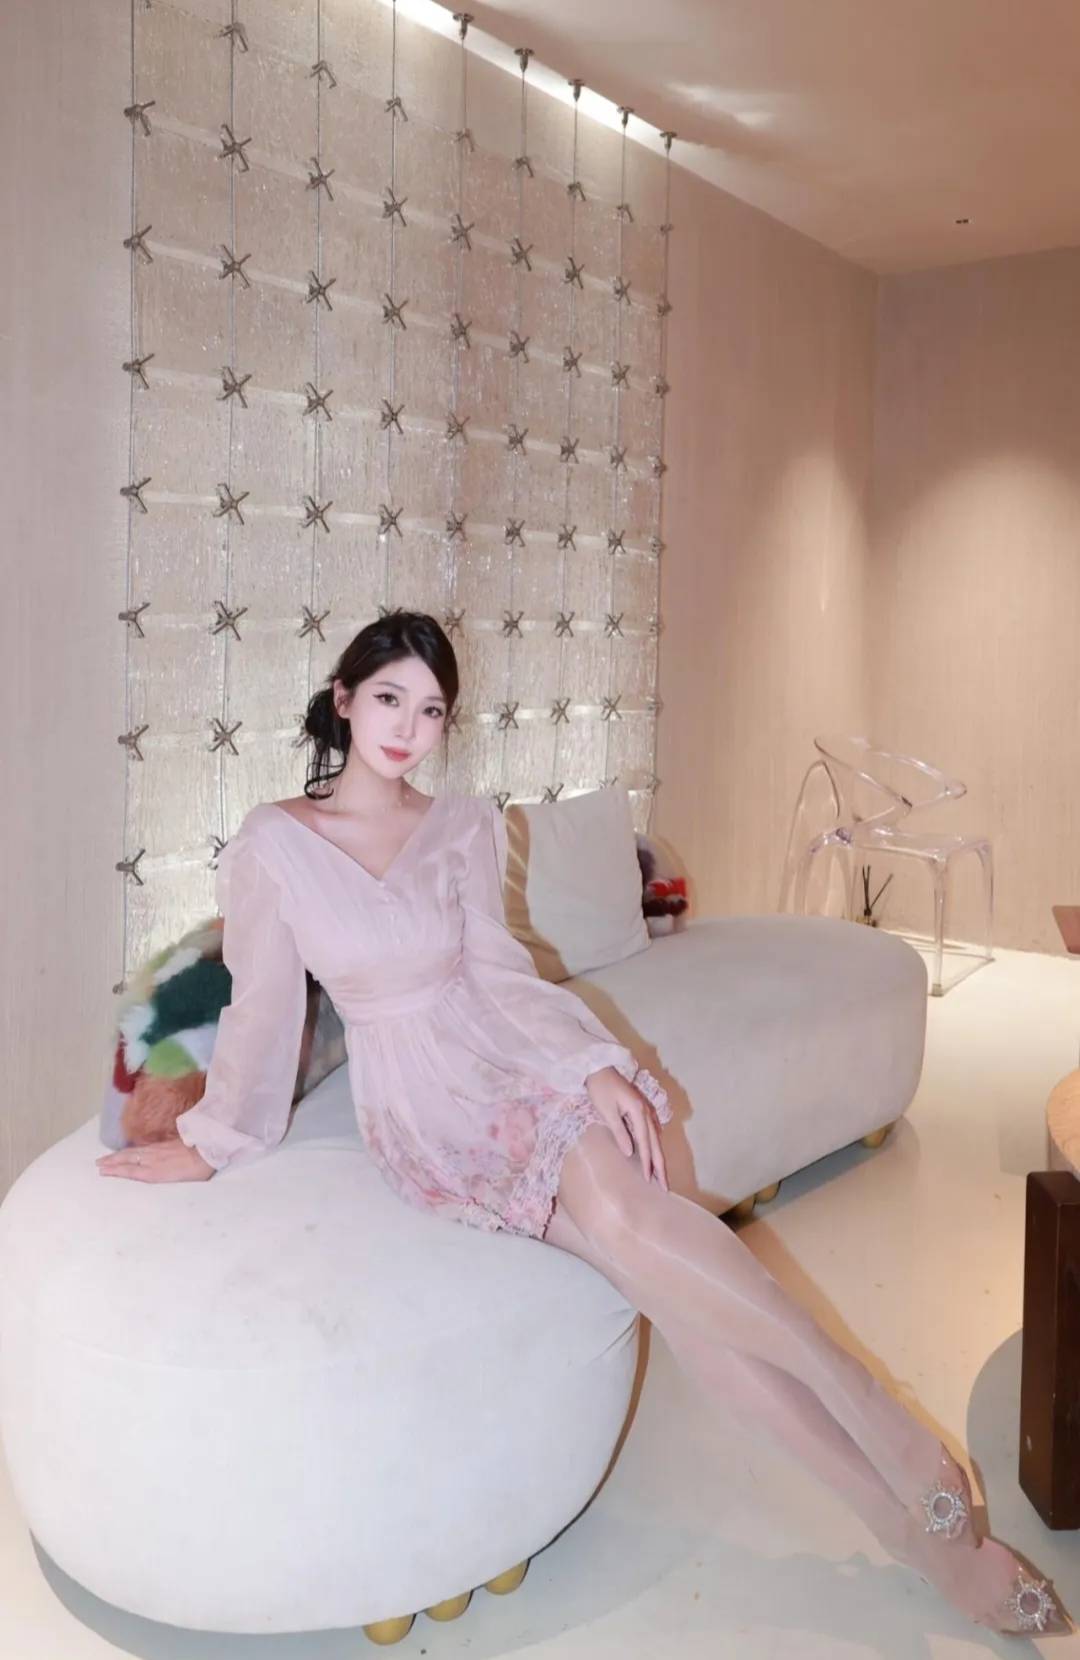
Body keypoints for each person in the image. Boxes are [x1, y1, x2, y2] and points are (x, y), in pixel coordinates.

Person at [97, 610, 1070, 1637]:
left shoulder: (462, 825)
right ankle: (891, 1444)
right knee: (648, 1254)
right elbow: (262, 1009)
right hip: (424, 1115)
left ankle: (904, 1512)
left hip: (508, 1058)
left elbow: (500, 978)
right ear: (343, 700)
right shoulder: (275, 845)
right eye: (388, 700)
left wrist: (591, 1064)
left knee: (646, 1249)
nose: (408, 729)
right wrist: (210, 1140)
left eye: (430, 710)